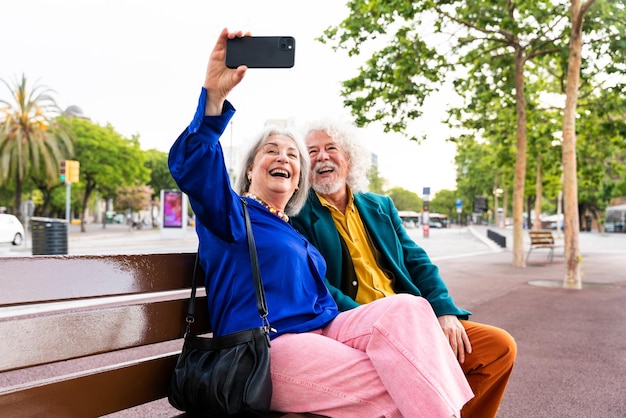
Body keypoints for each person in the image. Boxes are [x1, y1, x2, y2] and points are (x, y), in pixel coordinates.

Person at [168, 28, 473, 418]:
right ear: (248, 171)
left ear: (299, 179)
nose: (285, 158)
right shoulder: (229, 213)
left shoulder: (291, 230)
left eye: (294, 156)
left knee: (409, 309)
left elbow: (331, 302)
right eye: (271, 151)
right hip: (269, 346)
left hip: (326, 331)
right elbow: (192, 165)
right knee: (400, 378)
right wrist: (213, 96)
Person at [291, 119, 517, 418]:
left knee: (498, 348)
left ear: (348, 158)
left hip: (413, 318)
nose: (322, 157)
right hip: (357, 324)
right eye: (312, 152)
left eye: (331, 148)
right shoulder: (296, 212)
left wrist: (444, 312)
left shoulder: (380, 206)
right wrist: (371, 321)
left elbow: (417, 261)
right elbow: (318, 282)